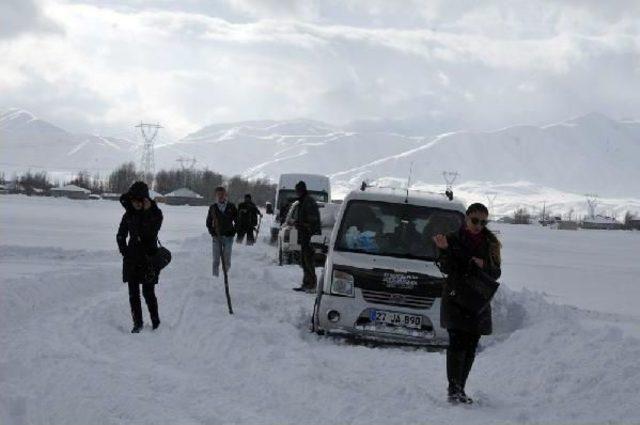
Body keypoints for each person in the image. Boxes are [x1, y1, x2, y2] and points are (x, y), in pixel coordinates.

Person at [433, 203, 501, 404]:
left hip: (478, 299)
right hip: (456, 297)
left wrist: (484, 265)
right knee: (456, 343)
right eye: (475, 220)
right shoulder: (452, 238)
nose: (479, 225)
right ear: (466, 218)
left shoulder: (491, 243)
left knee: (471, 345)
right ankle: (453, 389)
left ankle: (460, 388)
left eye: (483, 222)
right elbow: (445, 267)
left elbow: (497, 272)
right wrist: (444, 250)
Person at [117, 181, 163, 333]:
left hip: (149, 259)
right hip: (132, 260)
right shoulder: (128, 215)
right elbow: (120, 236)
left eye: (139, 200)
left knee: (148, 292)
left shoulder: (156, 214)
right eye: (133, 200)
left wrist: (148, 212)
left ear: (145, 200)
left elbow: (152, 232)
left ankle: (156, 322)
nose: (135, 203)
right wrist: (125, 252)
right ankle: (138, 324)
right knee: (133, 294)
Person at [292, 181, 321, 292]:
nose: (296, 193)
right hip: (304, 235)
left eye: (297, 190)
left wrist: (301, 224)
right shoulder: (304, 201)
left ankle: (312, 284)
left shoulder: (308, 202)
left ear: (301, 190)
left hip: (309, 235)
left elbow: (312, 221)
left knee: (308, 261)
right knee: (304, 261)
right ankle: (306, 283)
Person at [206, 186, 237, 277]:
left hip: (228, 238)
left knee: (227, 259)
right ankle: (215, 277)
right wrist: (213, 233)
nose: (220, 196)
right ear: (216, 196)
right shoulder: (213, 208)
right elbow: (208, 222)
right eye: (218, 195)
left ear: (225, 195)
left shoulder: (231, 206)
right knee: (216, 259)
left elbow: (238, 221)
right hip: (217, 238)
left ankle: (225, 276)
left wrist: (233, 231)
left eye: (222, 194)